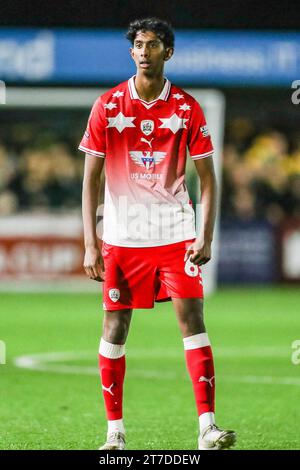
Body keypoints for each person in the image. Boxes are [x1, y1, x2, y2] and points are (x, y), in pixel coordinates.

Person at [79, 17, 236, 451]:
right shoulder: (108, 105)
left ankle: (207, 427)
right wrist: (92, 240)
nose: (144, 51)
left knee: (194, 321)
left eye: (153, 44)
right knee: (114, 326)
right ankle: (115, 434)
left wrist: (205, 234)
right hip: (123, 237)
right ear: (131, 52)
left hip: (174, 235)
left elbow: (208, 177)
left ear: (168, 52)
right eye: (138, 45)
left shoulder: (186, 108)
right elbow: (90, 178)